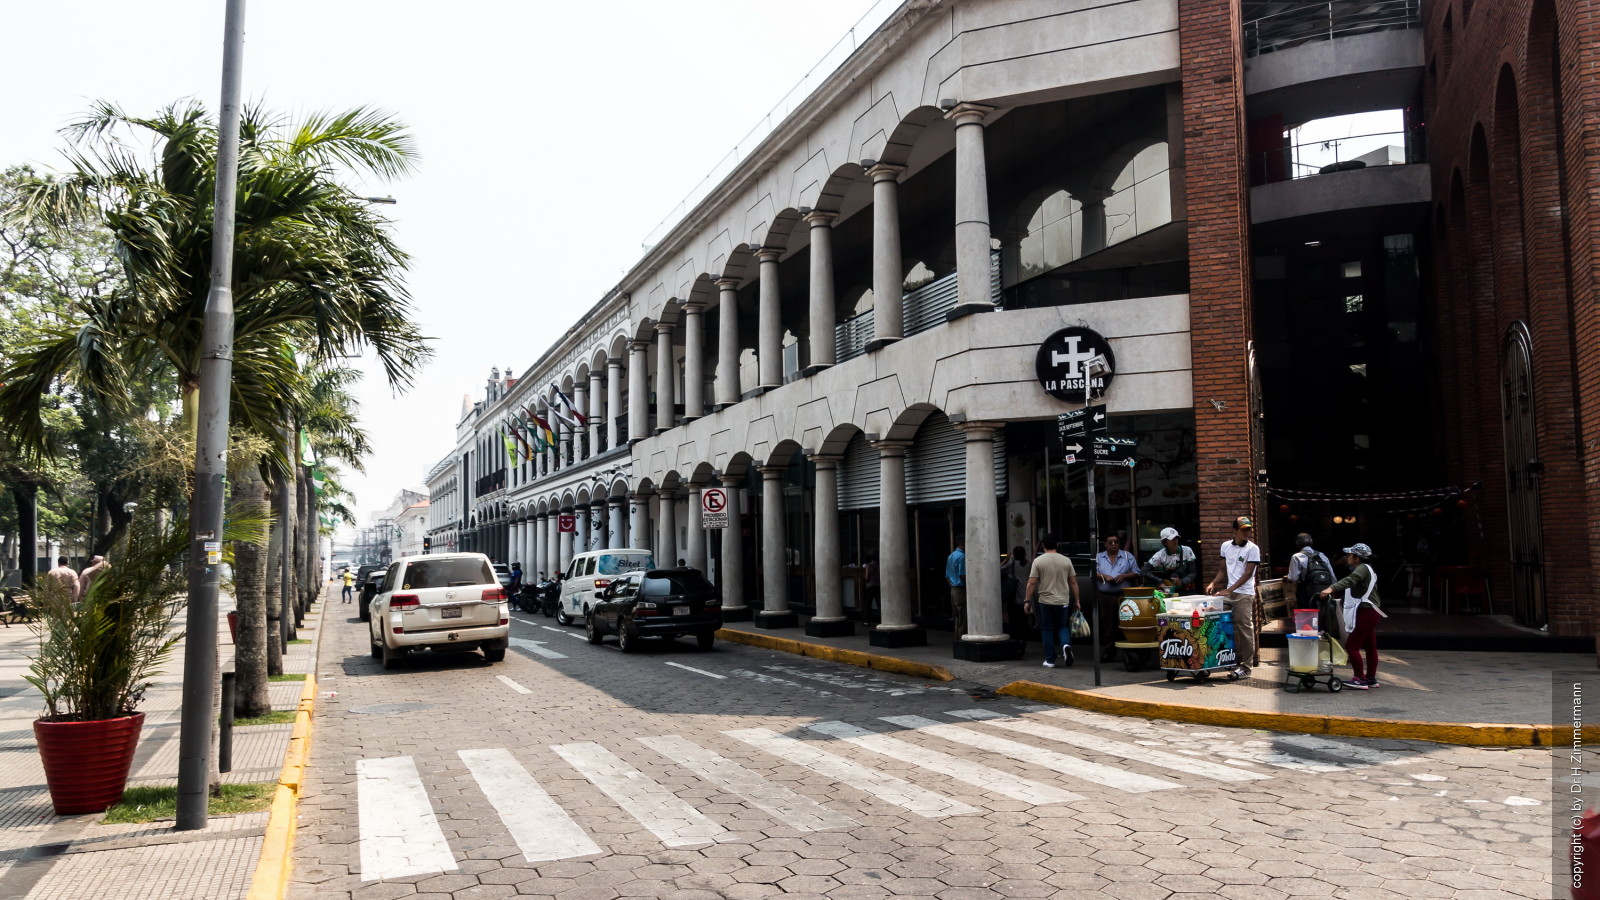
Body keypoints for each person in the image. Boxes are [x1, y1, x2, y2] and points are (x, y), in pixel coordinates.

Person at [1317, 542, 1387, 689]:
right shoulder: (1368, 569)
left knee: (1352, 645)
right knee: (1369, 645)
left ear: (1357, 558)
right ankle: (1371, 679)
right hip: (1371, 611)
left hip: (1366, 611)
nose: (1347, 557)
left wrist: (1330, 588)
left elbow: (1349, 581)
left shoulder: (1361, 569)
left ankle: (1359, 679)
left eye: (1350, 555)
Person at [1206, 515, 1260, 677]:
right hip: (1229, 591)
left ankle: (1246, 666)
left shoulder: (1253, 548)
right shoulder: (1225, 547)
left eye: (1249, 529)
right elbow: (1223, 569)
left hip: (1244, 593)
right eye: (1244, 530)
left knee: (1245, 628)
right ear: (1235, 531)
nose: (1247, 533)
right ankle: (1222, 656)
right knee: (1209, 613)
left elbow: (1248, 573)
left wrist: (1229, 590)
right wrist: (1214, 582)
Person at [1023, 533, 1080, 667]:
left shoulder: (1038, 561)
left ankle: (1050, 660)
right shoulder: (1066, 561)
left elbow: (1031, 583)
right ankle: (1066, 645)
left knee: (1047, 629)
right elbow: (1073, 582)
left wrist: (1027, 601)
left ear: (1043, 545)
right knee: (1062, 626)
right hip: (1063, 601)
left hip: (1045, 601)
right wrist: (1077, 600)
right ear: (1057, 545)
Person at [1093, 534, 1139, 661]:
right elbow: (1093, 573)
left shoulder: (1127, 556)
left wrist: (1124, 576)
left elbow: (1137, 572)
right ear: (1105, 544)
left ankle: (1129, 653)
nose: (1113, 545)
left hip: (1123, 596)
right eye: (1110, 542)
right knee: (1108, 625)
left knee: (1126, 623)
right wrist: (1105, 577)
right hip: (1106, 596)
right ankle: (1109, 652)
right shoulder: (1099, 557)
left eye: (1116, 542)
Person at [1285, 533, 1339, 636]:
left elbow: (1293, 578)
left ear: (1297, 543)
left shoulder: (1296, 556)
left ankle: (1308, 637)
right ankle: (1322, 635)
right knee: (1322, 616)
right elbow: (1333, 577)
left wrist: (1287, 578)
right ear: (1311, 542)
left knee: (1307, 617)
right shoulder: (1322, 555)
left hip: (1306, 593)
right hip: (1324, 592)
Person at [1142, 527, 1196, 593]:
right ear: (1164, 542)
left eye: (1176, 538)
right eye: (1171, 539)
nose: (1175, 541)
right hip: (1170, 590)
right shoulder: (1160, 555)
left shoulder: (1187, 550)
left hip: (1187, 589)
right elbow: (1144, 571)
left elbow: (1193, 573)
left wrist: (1182, 581)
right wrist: (1160, 581)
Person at [1001, 546, 1031, 639]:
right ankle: (1023, 639)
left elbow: (998, 570)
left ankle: (1016, 639)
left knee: (1014, 621)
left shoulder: (1012, 564)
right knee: (1024, 621)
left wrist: (1006, 559)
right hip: (1026, 596)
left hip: (1015, 597)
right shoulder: (1029, 564)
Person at [945, 539, 966, 634]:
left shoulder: (951, 556)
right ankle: (962, 639)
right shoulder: (962, 556)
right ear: (963, 544)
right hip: (960, 589)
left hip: (953, 589)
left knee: (957, 616)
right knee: (963, 616)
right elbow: (963, 575)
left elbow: (947, 576)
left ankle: (957, 638)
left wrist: (952, 585)